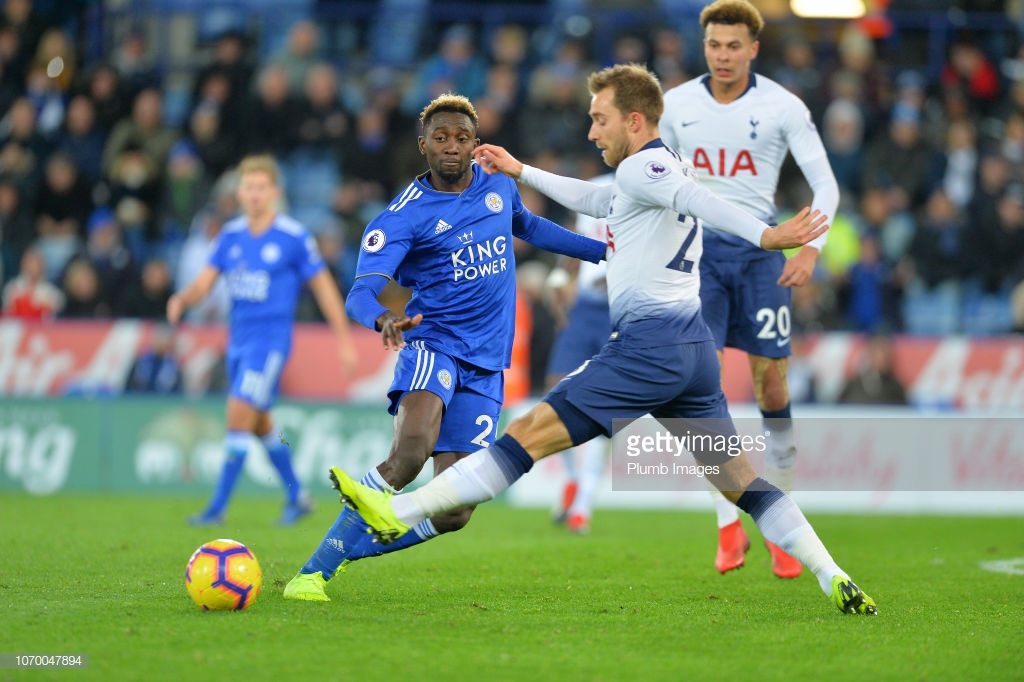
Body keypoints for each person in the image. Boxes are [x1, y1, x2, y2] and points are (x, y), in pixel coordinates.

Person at [328, 64, 876, 616]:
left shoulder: (649, 167)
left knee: (525, 436)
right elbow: (599, 202)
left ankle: (396, 512)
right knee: (741, 482)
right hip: (693, 355)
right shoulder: (650, 170)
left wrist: (769, 234)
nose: (592, 132)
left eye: (600, 119)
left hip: (648, 348)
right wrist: (523, 171)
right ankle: (833, 575)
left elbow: (700, 202)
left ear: (633, 120)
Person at [282, 93, 607, 602]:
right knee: (411, 451)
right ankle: (313, 573)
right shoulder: (401, 217)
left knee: (455, 511)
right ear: (423, 145)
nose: (452, 147)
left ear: (475, 143)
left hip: (487, 361)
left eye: (461, 138)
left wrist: (606, 253)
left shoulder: (498, 184)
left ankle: (352, 548)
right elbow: (360, 292)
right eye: (440, 138)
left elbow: (531, 227)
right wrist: (385, 317)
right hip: (434, 342)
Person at [659, 0, 840, 579]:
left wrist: (811, 246)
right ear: (704, 45)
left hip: (762, 253)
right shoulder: (676, 105)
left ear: (754, 48)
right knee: (701, 387)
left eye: (735, 46)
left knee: (771, 384)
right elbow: (649, 177)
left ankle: (782, 524)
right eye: (715, 45)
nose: (724, 56)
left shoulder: (783, 106)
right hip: (697, 256)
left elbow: (825, 184)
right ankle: (727, 522)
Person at [167, 154, 358, 526]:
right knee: (259, 423)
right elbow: (203, 285)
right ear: (239, 193)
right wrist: (181, 299)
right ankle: (298, 496)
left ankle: (216, 509)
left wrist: (345, 341)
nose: (254, 194)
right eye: (248, 187)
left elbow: (324, 289)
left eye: (261, 188)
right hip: (237, 341)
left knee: (238, 412)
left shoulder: (293, 237)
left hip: (270, 344)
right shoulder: (230, 236)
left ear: (274, 192)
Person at [546, 174, 614, 535]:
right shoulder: (599, 183)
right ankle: (572, 480)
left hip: (623, 307)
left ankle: (583, 505)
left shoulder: (656, 176)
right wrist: (559, 278)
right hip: (585, 306)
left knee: (604, 408)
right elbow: (578, 236)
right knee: (556, 391)